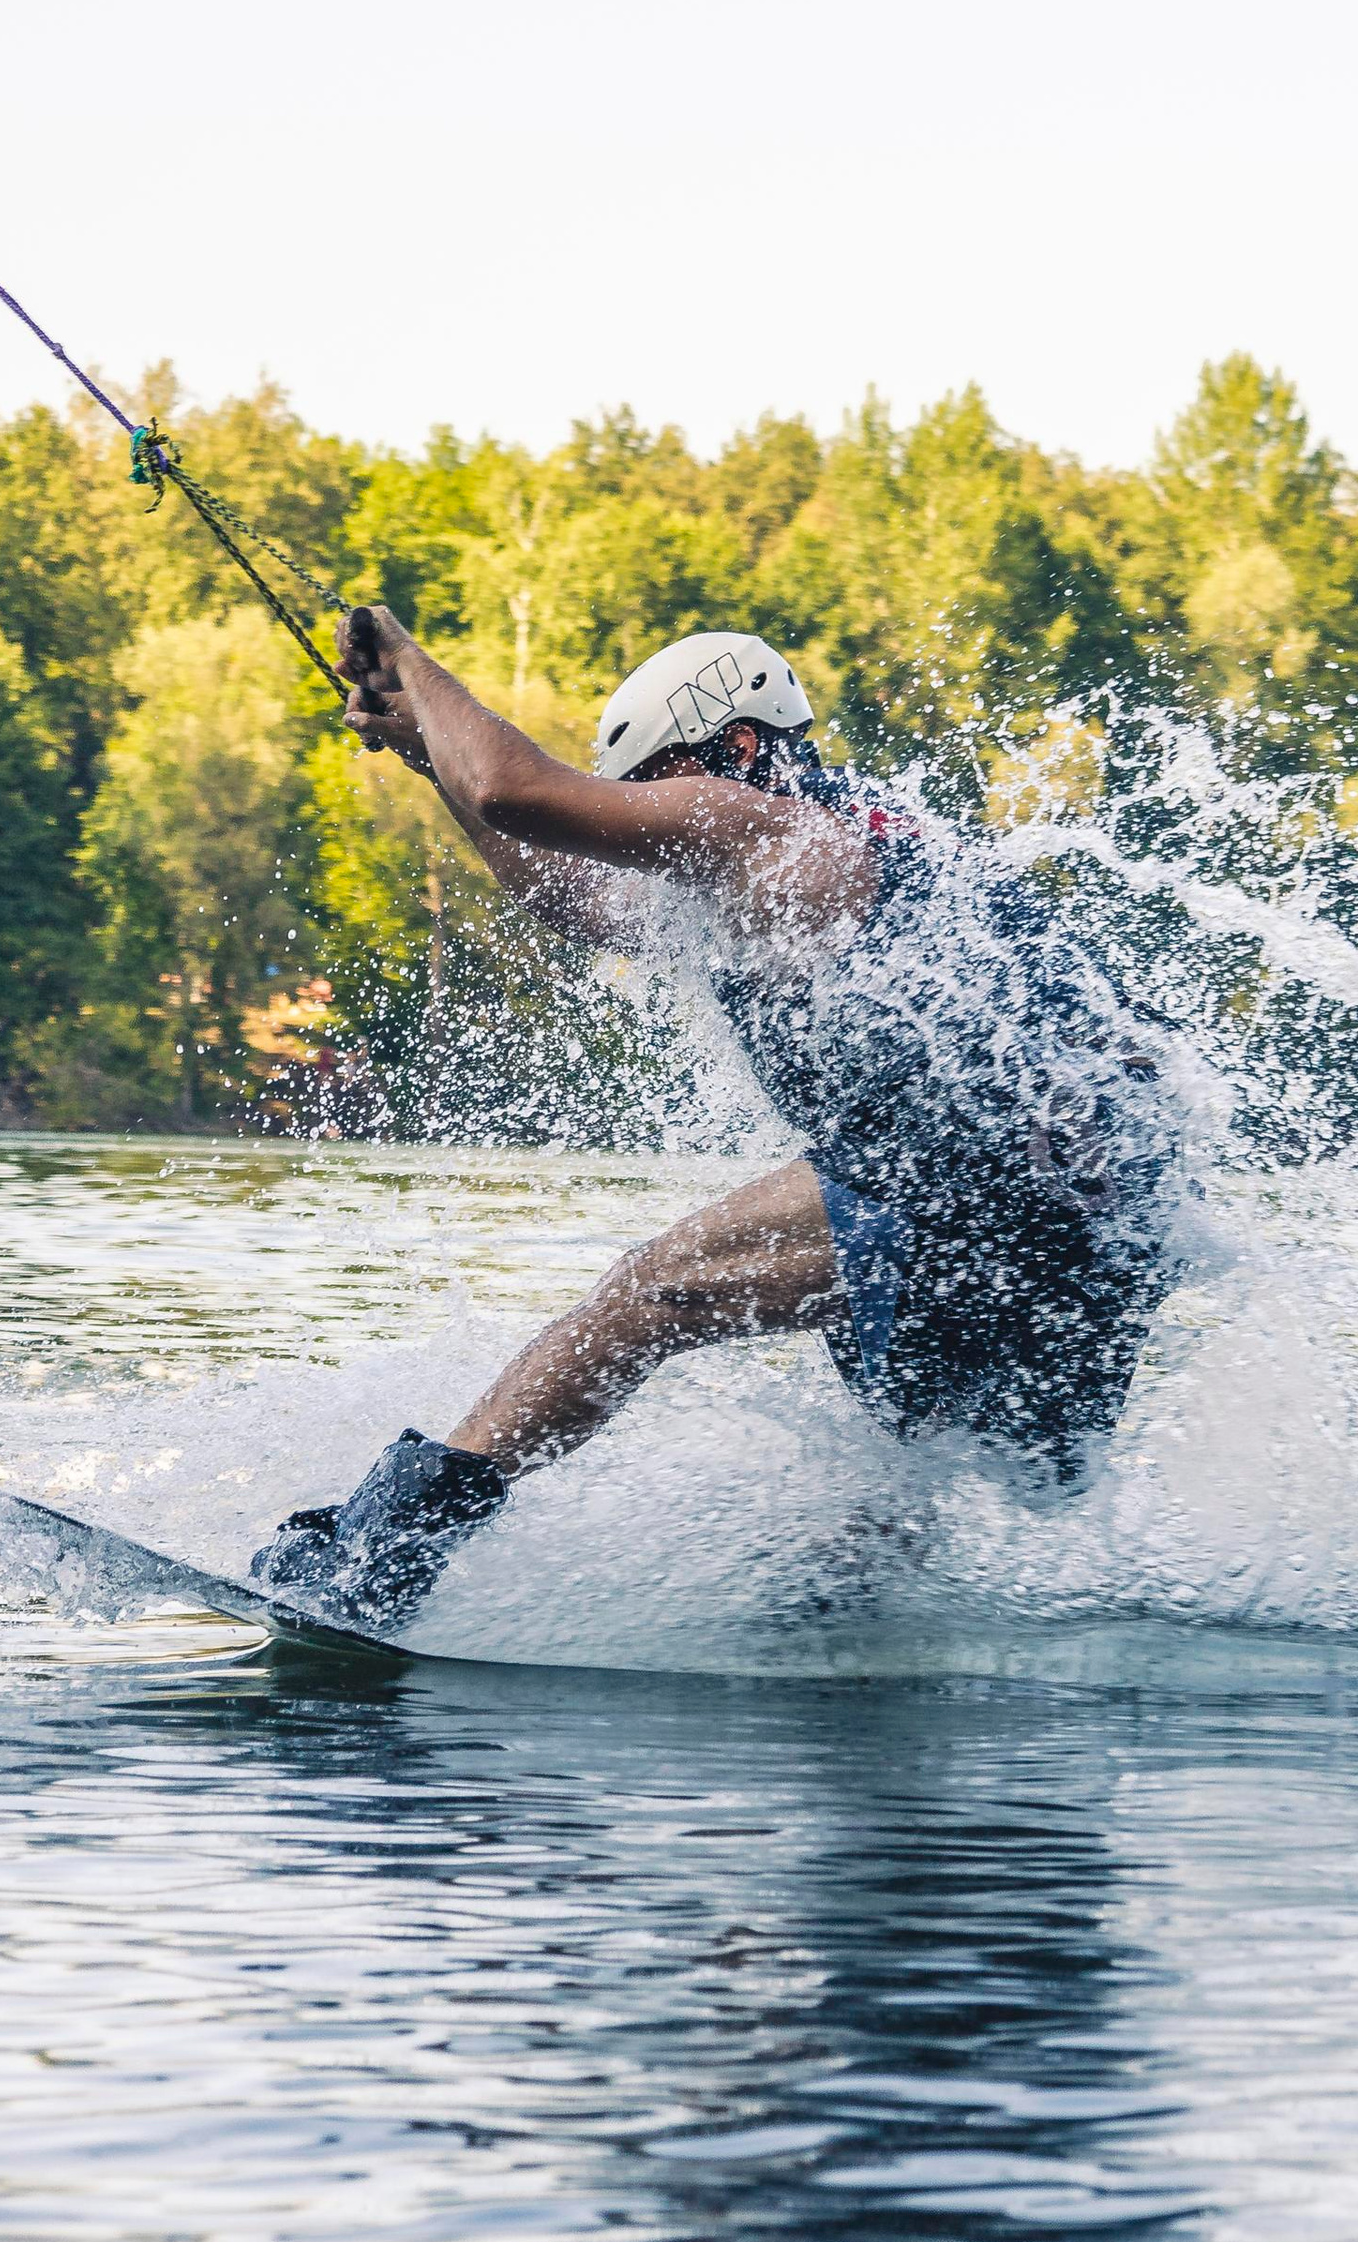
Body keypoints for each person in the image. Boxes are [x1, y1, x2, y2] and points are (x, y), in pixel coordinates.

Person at [252, 611, 1186, 1629]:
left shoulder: (755, 822)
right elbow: (572, 897)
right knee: (909, 1475)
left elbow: (513, 792)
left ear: (737, 745)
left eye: (653, 786)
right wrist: (432, 756)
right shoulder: (829, 840)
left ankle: (381, 1553)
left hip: (975, 1171)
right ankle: (830, 1646)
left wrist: (413, 666)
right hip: (1091, 1232)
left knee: (649, 1294)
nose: (640, 824)